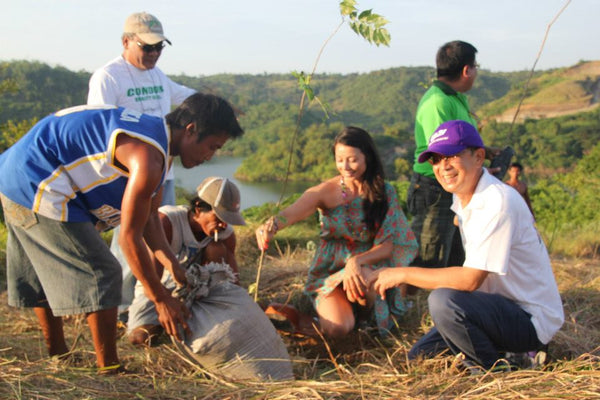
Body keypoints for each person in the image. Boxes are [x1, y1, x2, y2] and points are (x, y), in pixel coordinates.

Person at [0, 93, 244, 373]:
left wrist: (172, 264)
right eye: (212, 146)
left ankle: (58, 355)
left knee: (43, 270)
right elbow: (130, 236)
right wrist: (160, 298)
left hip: (14, 172)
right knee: (104, 272)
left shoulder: (158, 145)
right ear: (191, 130)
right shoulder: (148, 156)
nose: (210, 156)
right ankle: (109, 368)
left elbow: (150, 216)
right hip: (36, 180)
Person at [369, 120, 564, 372]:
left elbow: (470, 280)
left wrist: (402, 273)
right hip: (494, 308)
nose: (443, 167)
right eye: (436, 160)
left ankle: (498, 370)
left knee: (443, 301)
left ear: (479, 156)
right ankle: (508, 353)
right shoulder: (463, 195)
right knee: (420, 356)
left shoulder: (497, 202)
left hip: (528, 319)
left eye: (452, 155)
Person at [256, 127, 418, 338]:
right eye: (340, 160)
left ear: (367, 157)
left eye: (352, 159)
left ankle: (363, 319)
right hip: (330, 271)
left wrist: (356, 262)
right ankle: (304, 317)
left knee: (367, 280)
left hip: (367, 265)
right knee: (338, 328)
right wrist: (272, 225)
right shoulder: (326, 191)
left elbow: (388, 246)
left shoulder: (384, 192)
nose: (346, 166)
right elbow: (294, 211)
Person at [87, 12, 197, 320]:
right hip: (127, 177)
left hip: (162, 174)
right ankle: (121, 308)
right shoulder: (109, 77)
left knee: (160, 237)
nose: (153, 54)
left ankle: (147, 303)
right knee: (128, 244)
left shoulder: (156, 76)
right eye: (147, 47)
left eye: (159, 47)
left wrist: (219, 106)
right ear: (126, 41)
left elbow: (186, 95)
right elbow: (99, 126)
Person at [127, 176, 293, 380]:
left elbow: (233, 281)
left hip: (201, 289)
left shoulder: (224, 234)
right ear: (198, 208)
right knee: (141, 338)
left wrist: (243, 310)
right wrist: (164, 303)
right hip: (160, 288)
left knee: (216, 249)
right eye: (219, 217)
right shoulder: (168, 222)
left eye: (228, 219)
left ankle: (196, 318)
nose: (223, 225)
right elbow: (151, 275)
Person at [407, 40, 480, 271]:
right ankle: (418, 304)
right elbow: (444, 151)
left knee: (455, 256)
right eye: (476, 67)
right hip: (435, 188)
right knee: (430, 255)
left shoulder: (455, 98)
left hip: (452, 187)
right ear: (466, 70)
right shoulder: (438, 102)